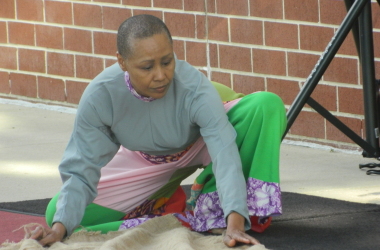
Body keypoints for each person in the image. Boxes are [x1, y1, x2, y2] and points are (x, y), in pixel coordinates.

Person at [28, 14, 287, 247]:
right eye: (147, 66)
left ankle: (212, 201)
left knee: (266, 106)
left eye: (167, 61)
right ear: (122, 62)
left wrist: (234, 224)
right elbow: (82, 167)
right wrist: (60, 228)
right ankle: (168, 205)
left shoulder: (195, 87)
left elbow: (224, 152)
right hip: (148, 159)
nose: (161, 75)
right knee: (59, 214)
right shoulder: (100, 96)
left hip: (203, 143)